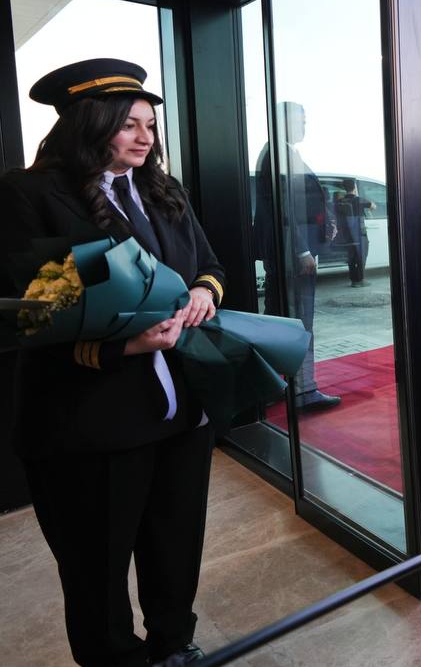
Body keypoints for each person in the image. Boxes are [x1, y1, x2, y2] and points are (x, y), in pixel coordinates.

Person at [0, 59, 226, 666]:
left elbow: (210, 264)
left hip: (181, 411)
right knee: (96, 569)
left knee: (175, 545)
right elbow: (27, 315)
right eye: (129, 124)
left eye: (150, 125)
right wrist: (123, 345)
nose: (145, 137)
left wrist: (202, 292)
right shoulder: (30, 195)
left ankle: (174, 645)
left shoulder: (163, 190)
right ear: (89, 122)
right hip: (90, 423)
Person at [254, 101, 339, 411]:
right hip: (292, 255)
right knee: (300, 322)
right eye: (300, 120)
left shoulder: (278, 151)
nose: (305, 125)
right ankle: (304, 390)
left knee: (280, 320)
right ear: (284, 121)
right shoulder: (279, 154)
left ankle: (274, 386)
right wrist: (303, 250)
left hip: (287, 252)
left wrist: (326, 223)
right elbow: (285, 208)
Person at [333, 178, 374, 287]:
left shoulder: (339, 202)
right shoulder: (359, 200)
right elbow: (373, 206)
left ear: (344, 188)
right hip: (360, 234)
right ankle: (360, 280)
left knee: (351, 257)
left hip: (346, 234)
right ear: (354, 187)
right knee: (361, 256)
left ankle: (353, 280)